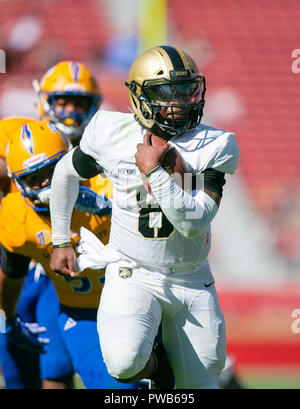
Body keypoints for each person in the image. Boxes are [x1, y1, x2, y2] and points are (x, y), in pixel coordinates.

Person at [49, 45, 240, 389]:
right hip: (130, 269)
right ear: (139, 95)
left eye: (186, 91)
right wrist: (60, 238)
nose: (179, 102)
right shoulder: (110, 130)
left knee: (202, 382)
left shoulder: (217, 143)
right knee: (122, 364)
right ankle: (159, 368)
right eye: (166, 93)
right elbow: (65, 173)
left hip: (191, 276)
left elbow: (193, 222)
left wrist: (154, 174)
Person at [0, 121, 139, 389]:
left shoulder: (106, 183)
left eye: (51, 171)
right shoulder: (16, 217)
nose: (43, 184)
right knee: (119, 388)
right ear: (18, 183)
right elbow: (11, 275)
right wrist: (11, 320)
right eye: (32, 178)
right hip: (84, 313)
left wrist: (113, 207)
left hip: (142, 299)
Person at [0, 61, 109, 389]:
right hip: (24, 257)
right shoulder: (18, 135)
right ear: (43, 100)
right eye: (62, 101)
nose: (71, 111)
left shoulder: (106, 142)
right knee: (20, 367)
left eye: (79, 103)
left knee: (58, 369)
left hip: (73, 268)